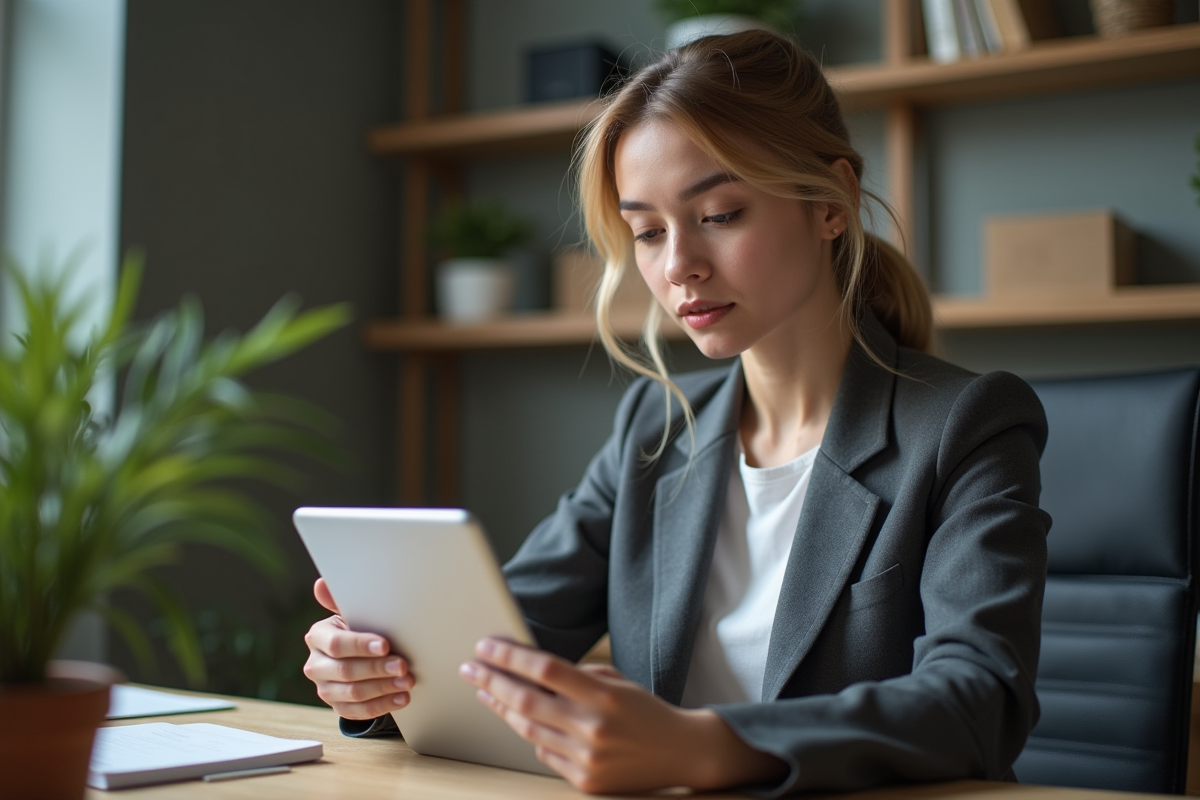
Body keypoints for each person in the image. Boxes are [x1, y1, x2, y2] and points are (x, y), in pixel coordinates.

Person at [303, 30, 1051, 797]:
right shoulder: (654, 429)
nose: (677, 266)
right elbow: (496, 646)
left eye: (720, 214)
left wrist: (704, 746)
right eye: (648, 232)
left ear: (832, 203)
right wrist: (381, 674)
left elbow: (980, 701)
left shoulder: (966, 424)